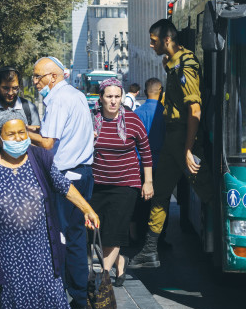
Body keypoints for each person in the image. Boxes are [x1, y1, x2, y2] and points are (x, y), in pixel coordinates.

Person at [0, 110, 99, 309]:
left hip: (42, 251)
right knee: (11, 303)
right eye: (11, 134)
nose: (18, 138)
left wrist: (87, 208)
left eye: (22, 132)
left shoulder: (40, 158)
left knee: (51, 299)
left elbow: (63, 186)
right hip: (6, 254)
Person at [128, 19, 213, 269]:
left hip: (184, 138)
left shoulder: (186, 65)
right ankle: (150, 250)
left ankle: (230, 241)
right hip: (172, 138)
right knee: (160, 193)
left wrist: (188, 150)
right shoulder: (173, 62)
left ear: (166, 40)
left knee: (208, 192)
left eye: (153, 40)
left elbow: (194, 110)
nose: (150, 44)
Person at [27, 56, 94, 309]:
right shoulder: (73, 94)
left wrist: (20, 132)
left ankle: (75, 294)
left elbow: (46, 142)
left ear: (52, 77)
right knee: (75, 235)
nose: (34, 82)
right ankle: (78, 294)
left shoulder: (57, 99)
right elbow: (53, 131)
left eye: (38, 77)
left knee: (66, 237)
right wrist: (33, 127)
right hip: (82, 172)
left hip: (67, 175)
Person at [91, 78, 153, 286]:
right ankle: (120, 260)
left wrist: (148, 182)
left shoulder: (133, 120)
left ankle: (104, 275)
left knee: (114, 233)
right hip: (98, 184)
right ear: (101, 98)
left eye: (117, 97)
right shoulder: (93, 120)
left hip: (126, 185)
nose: (113, 101)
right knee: (97, 232)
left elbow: (145, 151)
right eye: (109, 96)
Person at [133, 77, 166, 243]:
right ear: (161, 91)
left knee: (141, 203)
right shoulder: (165, 113)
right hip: (161, 163)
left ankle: (139, 236)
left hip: (140, 164)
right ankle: (158, 238)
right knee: (160, 202)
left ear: (145, 92)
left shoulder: (137, 113)